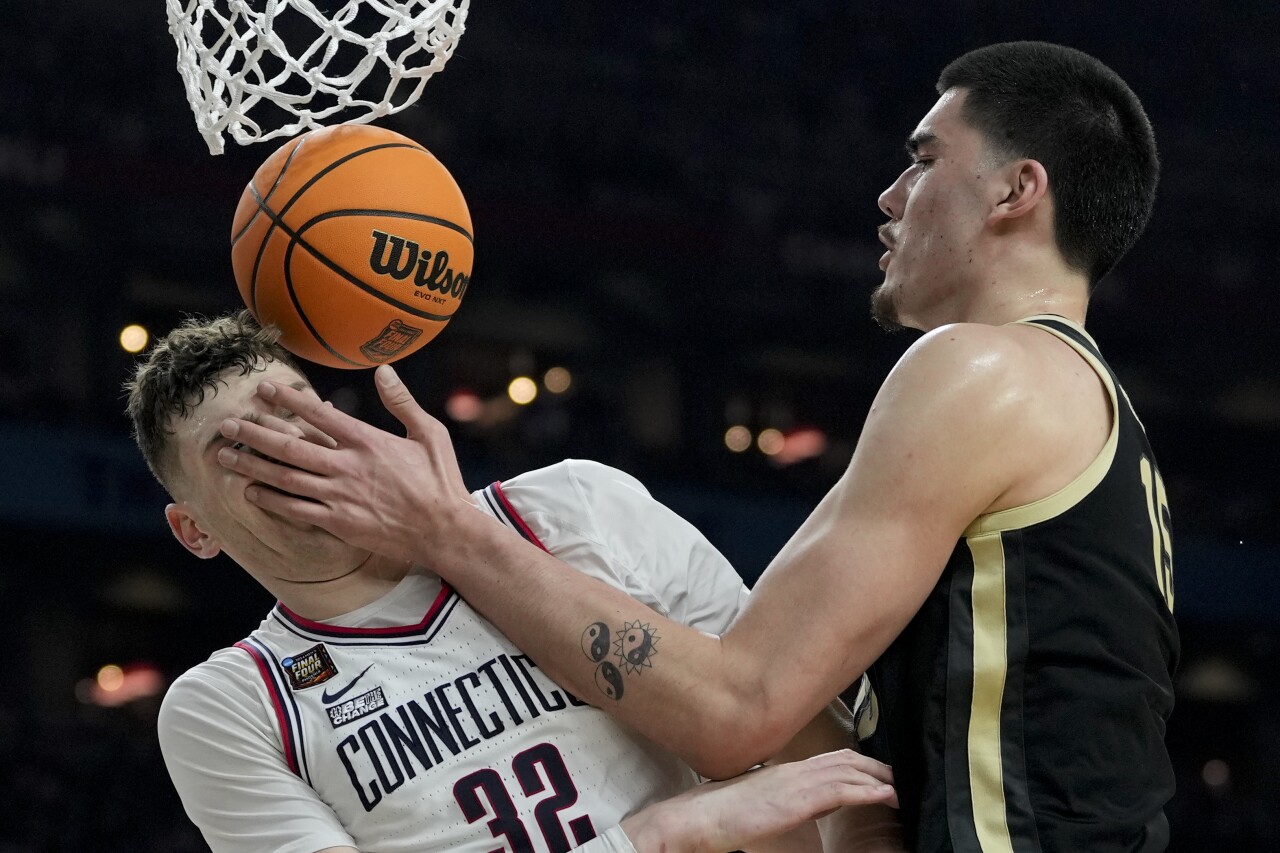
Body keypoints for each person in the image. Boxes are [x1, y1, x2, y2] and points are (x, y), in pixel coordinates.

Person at [216, 41, 1179, 852]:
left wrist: (447, 530)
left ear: (1018, 189)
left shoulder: (980, 371)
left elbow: (736, 709)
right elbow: (821, 742)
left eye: (925, 160)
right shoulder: (1086, 405)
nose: (889, 196)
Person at [124, 311, 901, 853]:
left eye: (294, 413)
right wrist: (662, 834)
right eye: (239, 450)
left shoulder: (576, 509)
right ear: (193, 530)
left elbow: (814, 753)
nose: (287, 450)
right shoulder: (229, 704)